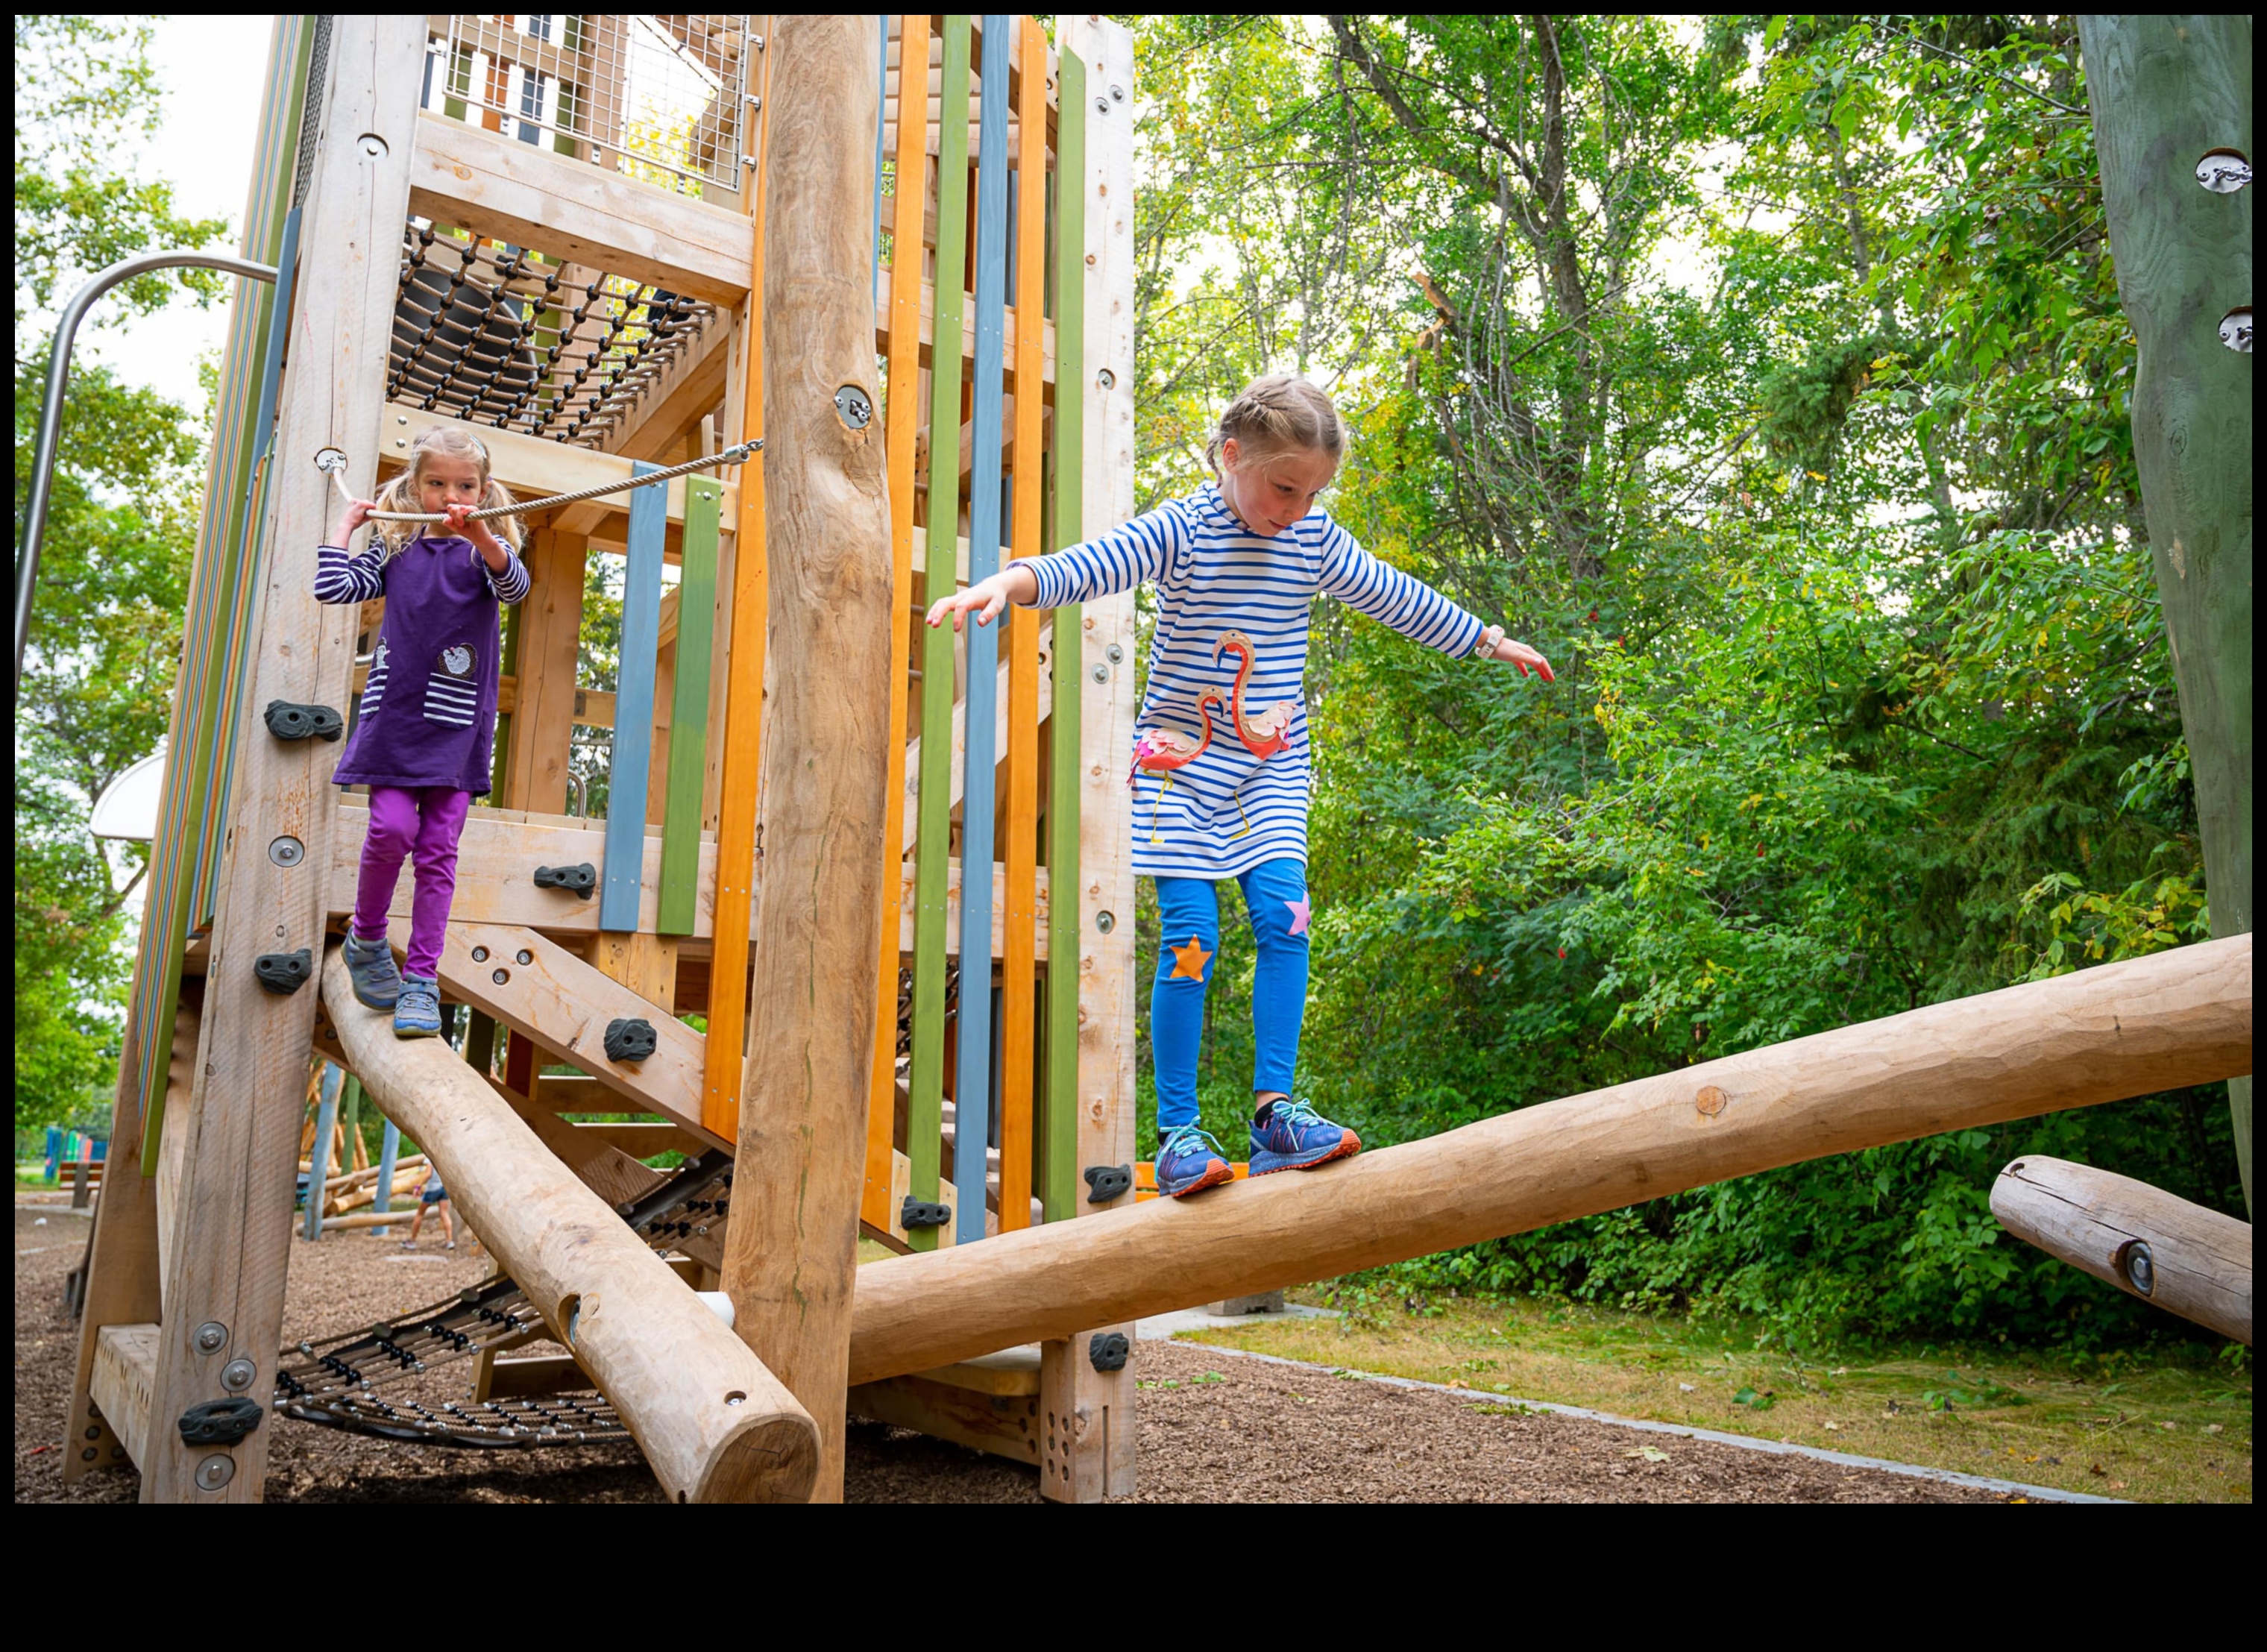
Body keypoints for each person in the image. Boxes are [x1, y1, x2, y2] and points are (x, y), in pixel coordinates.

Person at [928, 374, 1554, 1196]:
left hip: (1269, 767)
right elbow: (1090, 565)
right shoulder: (1185, 529)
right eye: (1283, 487)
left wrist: (1489, 639)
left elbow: (1395, 595)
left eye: (1313, 492)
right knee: (1194, 932)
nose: (1295, 508)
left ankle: (1275, 1114)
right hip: (1179, 764)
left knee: (1284, 916)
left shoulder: (1315, 539)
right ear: (1232, 456)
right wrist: (1004, 586)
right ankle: (1181, 1128)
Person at [316, 427, 529, 1037]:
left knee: (438, 850)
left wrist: (482, 531)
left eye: (464, 485)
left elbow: (516, 587)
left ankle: (421, 981)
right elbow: (333, 587)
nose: (449, 494)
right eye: (436, 483)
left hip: (457, 723)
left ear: (484, 491)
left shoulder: (483, 554)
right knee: (390, 827)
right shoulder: (397, 548)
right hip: (396, 717)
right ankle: (368, 935)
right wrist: (346, 528)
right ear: (416, 486)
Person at [400, 1162, 456, 1249]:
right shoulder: (442, 1157)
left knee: (420, 1214)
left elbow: (428, 1174)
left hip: (432, 1190)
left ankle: (412, 1241)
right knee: (444, 1214)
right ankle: (449, 1241)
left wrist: (418, 1186)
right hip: (443, 1188)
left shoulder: (429, 1157)